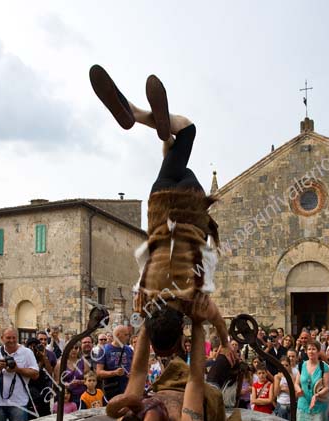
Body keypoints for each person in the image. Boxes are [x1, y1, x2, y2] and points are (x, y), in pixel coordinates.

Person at [89, 65, 233, 364]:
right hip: (159, 206)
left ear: (181, 331)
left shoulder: (196, 305)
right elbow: (142, 362)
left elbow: (218, 321)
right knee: (173, 151)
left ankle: (141, 117)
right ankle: (143, 118)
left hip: (190, 209)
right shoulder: (145, 306)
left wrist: (226, 344)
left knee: (188, 132)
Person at [105, 295, 241, 421]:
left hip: (170, 384)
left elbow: (139, 373)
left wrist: (146, 321)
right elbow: (196, 380)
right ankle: (226, 360)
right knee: (219, 370)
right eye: (151, 406)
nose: (147, 401)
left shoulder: (125, 420)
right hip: (202, 396)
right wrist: (197, 324)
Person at [0, 328, 39, 421]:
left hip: (19, 403)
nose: (11, 340)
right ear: (2, 338)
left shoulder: (26, 352)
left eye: (14, 338)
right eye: (8, 338)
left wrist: (17, 369)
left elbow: (35, 374)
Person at [295, 340, 329, 421]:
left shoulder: (324, 367)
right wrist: (298, 390)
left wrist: (317, 395)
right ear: (306, 351)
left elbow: (327, 387)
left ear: (318, 351)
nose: (311, 351)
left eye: (314, 349)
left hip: (318, 405)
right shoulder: (301, 365)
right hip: (303, 404)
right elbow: (296, 383)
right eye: (309, 349)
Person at [96, 325, 133, 401]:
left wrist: (132, 373)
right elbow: (99, 373)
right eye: (126, 335)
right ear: (117, 335)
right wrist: (114, 373)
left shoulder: (129, 350)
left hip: (128, 390)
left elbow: (135, 367)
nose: (128, 337)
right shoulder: (104, 350)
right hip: (112, 391)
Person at [25, 338, 53, 418]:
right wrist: (40, 363)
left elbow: (50, 372)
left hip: (43, 393)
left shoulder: (42, 357)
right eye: (30, 346)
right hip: (31, 395)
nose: (33, 349)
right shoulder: (26, 359)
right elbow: (34, 374)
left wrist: (44, 357)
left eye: (35, 346)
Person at [54, 344, 89, 408]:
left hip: (81, 395)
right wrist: (65, 384)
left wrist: (80, 381)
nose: (74, 350)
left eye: (76, 348)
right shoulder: (60, 364)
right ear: (66, 349)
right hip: (66, 397)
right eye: (71, 348)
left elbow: (89, 380)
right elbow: (56, 381)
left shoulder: (84, 362)